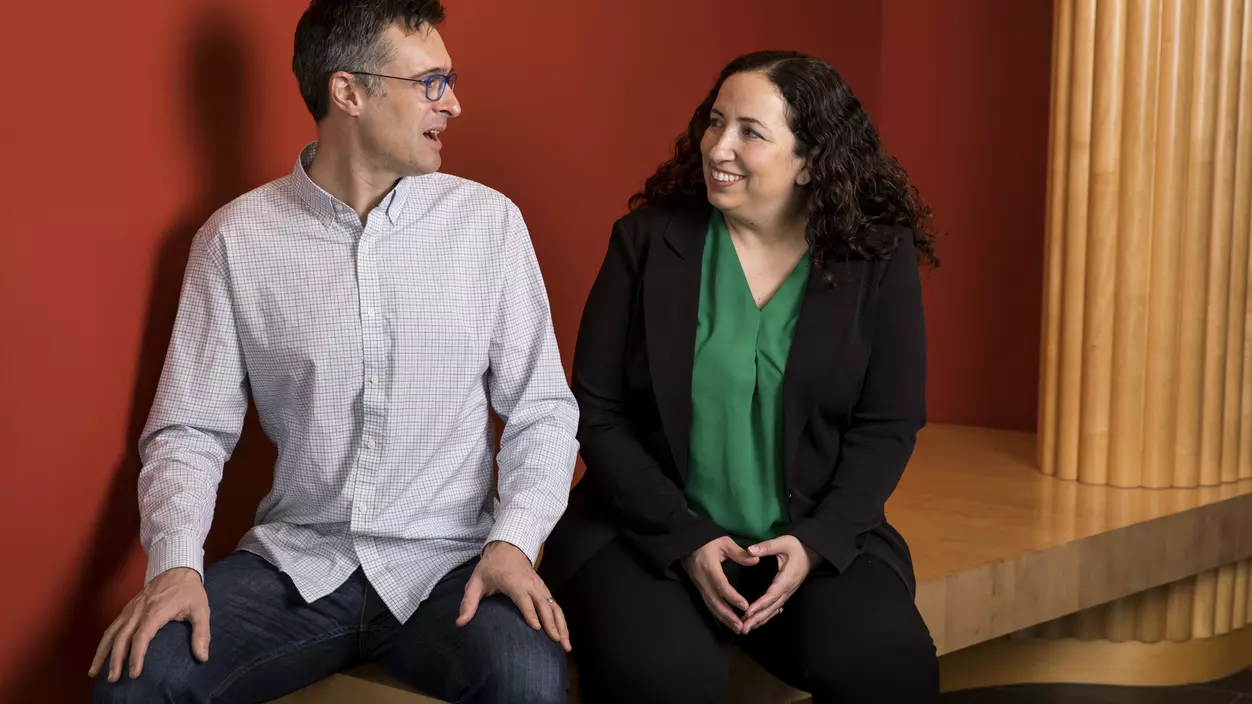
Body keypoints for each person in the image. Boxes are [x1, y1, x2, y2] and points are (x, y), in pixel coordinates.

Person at [89, 1, 579, 702]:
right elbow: (189, 431)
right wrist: (175, 565)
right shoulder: (236, 240)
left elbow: (542, 412)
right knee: (135, 677)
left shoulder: (488, 225)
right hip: (296, 568)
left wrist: (515, 541)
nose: (454, 104)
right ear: (349, 92)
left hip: (450, 568)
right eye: (430, 83)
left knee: (528, 679)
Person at [538, 50, 941, 703]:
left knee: (888, 664)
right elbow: (597, 410)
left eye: (750, 132)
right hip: (648, 535)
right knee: (665, 680)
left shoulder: (877, 256)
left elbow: (888, 424)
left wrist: (817, 543)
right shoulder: (644, 241)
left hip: (811, 534)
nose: (718, 146)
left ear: (812, 160)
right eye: (714, 123)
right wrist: (684, 537)